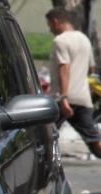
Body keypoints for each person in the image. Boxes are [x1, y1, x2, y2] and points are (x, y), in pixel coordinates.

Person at [46, 7, 101, 159]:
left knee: (45, 134)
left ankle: (44, 163)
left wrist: (64, 98)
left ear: (56, 22)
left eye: (50, 25)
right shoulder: (84, 39)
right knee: (94, 140)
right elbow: (91, 69)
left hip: (62, 99)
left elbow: (64, 67)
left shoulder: (60, 41)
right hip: (82, 97)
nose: (50, 29)